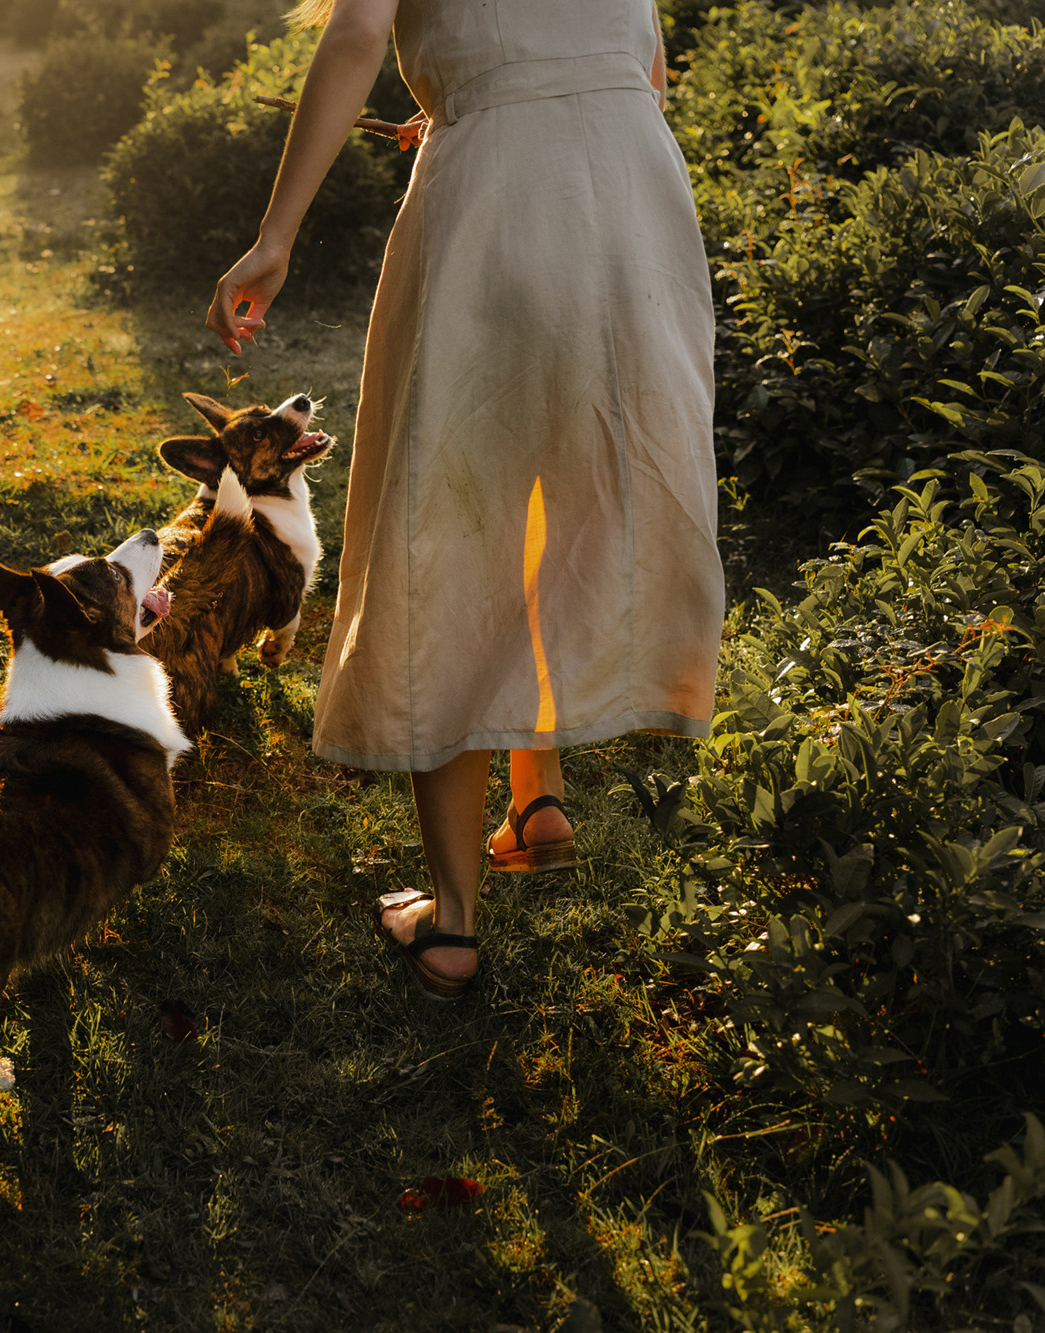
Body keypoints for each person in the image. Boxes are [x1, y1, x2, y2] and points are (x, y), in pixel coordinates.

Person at [205, 0, 723, 998]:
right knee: (571, 491)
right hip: (633, 196)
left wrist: (275, 236)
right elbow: (633, 65)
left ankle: (450, 922)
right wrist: (477, 104)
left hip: (492, 201)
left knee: (455, 511)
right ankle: (538, 802)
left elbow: (358, 31)